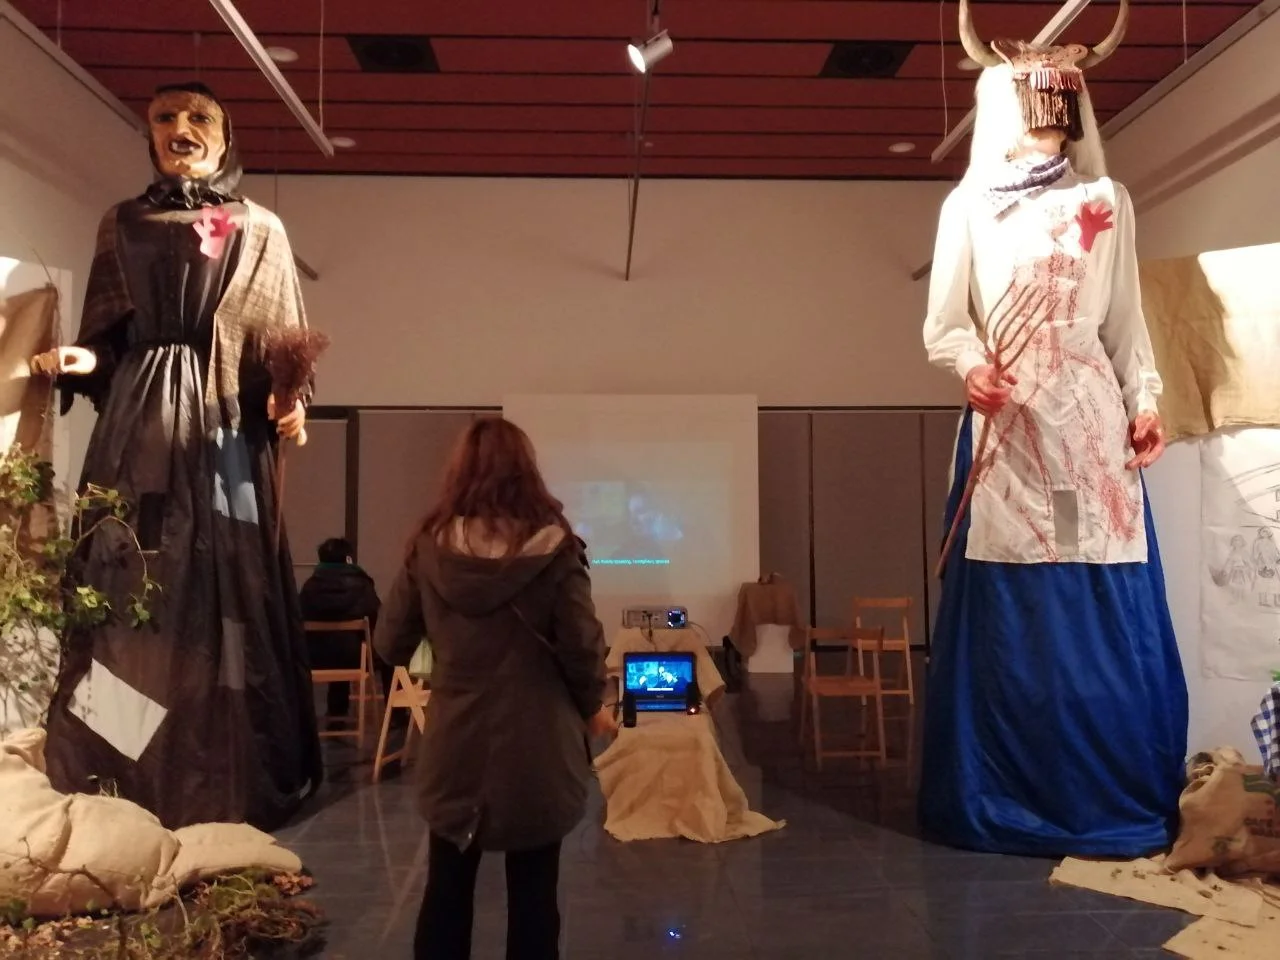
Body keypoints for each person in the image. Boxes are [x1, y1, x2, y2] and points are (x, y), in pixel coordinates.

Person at [919, 0, 1188, 858]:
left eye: (1062, 95)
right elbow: (945, 323)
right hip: (1009, 428)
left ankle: (1101, 787)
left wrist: (1145, 401)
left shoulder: (1106, 200)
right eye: (1036, 95)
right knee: (1014, 608)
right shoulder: (970, 205)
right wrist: (971, 366)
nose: (1051, 111)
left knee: (1093, 594)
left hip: (1088, 427)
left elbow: (1125, 323)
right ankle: (1004, 786)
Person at [31, 82, 323, 830]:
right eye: (165, 117)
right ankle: (121, 761)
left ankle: (226, 767)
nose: (180, 128)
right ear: (149, 134)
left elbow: (281, 339)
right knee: (125, 578)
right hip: (137, 424)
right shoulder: (122, 222)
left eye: (199, 117)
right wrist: (81, 358)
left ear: (225, 137)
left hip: (224, 428)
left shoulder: (259, 227)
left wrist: (289, 400)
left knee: (231, 581)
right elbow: (107, 337)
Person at [375, 417, 617, 960]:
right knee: (535, 896)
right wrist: (592, 706)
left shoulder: (428, 549)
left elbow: (389, 642)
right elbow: (582, 648)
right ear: (527, 472)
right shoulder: (556, 550)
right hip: (539, 747)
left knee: (446, 891)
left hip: (455, 744)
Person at [299, 537, 391, 726]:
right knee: (389, 653)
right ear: (348, 559)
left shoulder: (309, 588)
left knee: (335, 645)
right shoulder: (362, 586)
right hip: (354, 658)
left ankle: (336, 715)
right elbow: (377, 618)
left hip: (315, 659)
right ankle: (396, 716)